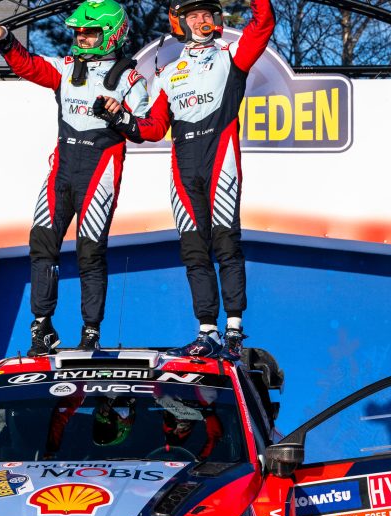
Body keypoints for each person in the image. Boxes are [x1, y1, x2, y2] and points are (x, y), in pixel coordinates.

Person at [95, 0, 274, 359]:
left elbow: (263, 23)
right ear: (180, 23)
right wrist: (118, 118)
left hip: (219, 159)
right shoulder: (167, 73)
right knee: (194, 251)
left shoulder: (231, 55)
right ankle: (207, 332)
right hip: (183, 168)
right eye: (193, 15)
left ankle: (234, 331)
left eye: (207, 14)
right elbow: (152, 128)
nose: (202, 20)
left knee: (226, 244)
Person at [0, 0, 150, 356]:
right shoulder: (67, 66)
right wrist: (5, 38)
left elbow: (146, 129)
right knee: (42, 244)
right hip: (62, 169)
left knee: (90, 252)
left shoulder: (130, 79)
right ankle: (42, 326)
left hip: (98, 171)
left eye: (90, 32)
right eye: (79, 32)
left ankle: (91, 332)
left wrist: (120, 116)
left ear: (112, 34)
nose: (82, 37)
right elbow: (30, 66)